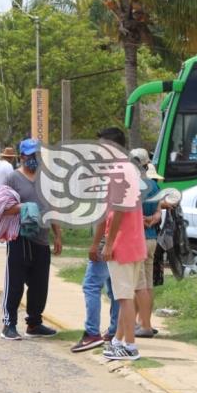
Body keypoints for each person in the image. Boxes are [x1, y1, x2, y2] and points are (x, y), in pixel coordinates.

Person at [0, 138, 63, 341]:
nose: (34, 159)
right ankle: (9, 324)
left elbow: (52, 207)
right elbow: (1, 208)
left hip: (42, 240)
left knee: (39, 285)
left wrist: (58, 234)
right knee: (16, 283)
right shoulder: (12, 179)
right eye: (31, 155)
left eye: (38, 155)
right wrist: (22, 208)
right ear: (22, 156)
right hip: (20, 238)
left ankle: (34, 323)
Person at [70, 127, 125, 353]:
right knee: (114, 289)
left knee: (92, 285)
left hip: (109, 238)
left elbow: (108, 213)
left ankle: (92, 332)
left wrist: (97, 243)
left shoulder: (113, 173)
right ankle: (113, 331)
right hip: (122, 239)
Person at [101, 138, 147, 361]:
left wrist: (109, 243)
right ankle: (119, 340)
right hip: (135, 242)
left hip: (123, 244)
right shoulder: (131, 170)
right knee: (124, 295)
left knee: (124, 297)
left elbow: (119, 208)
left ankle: (130, 345)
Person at [130, 148, 162, 339]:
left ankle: (145, 326)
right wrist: (152, 219)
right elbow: (159, 211)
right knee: (147, 284)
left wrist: (141, 220)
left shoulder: (134, 185)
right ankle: (141, 322)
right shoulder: (154, 185)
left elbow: (131, 212)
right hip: (152, 238)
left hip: (137, 239)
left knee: (138, 285)